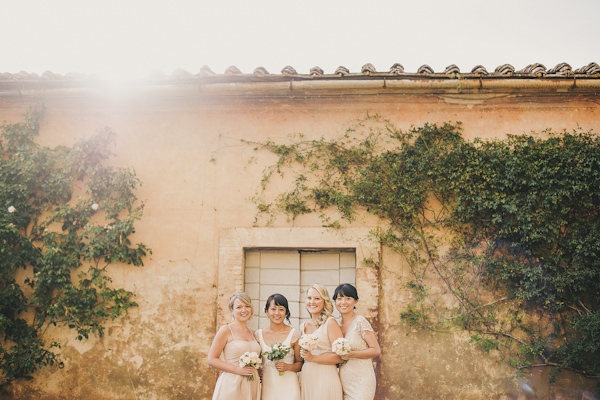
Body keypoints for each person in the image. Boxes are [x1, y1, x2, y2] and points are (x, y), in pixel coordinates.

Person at [208, 291, 261, 400]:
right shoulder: (226, 330)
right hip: (232, 383)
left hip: (252, 383)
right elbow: (212, 359)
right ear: (232, 310)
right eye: (239, 307)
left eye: (247, 306)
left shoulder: (253, 333)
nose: (244, 310)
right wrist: (237, 370)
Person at [333, 284, 381, 400]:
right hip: (343, 381)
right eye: (339, 298)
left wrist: (351, 354)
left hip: (362, 380)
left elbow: (376, 350)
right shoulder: (336, 326)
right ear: (335, 302)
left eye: (348, 298)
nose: (343, 302)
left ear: (355, 301)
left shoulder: (360, 322)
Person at [299, 284, 344, 400]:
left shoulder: (330, 322)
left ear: (324, 301)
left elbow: (341, 357)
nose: (312, 302)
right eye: (309, 298)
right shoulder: (302, 326)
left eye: (317, 298)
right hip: (307, 378)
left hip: (325, 377)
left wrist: (313, 358)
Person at [255, 293, 302, 400]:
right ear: (266, 311)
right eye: (273, 309)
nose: (277, 313)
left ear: (286, 312)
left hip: (290, 387)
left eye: (281, 309)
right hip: (267, 387)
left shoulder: (294, 334)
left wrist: (288, 367)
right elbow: (256, 362)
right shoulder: (258, 335)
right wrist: (258, 371)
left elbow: (300, 363)